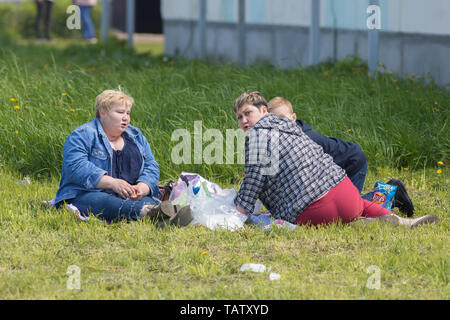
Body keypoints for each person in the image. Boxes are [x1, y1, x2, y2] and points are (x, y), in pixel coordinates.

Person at [232, 91, 437, 228]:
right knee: (359, 206)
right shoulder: (291, 126)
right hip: (346, 191)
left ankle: (357, 223)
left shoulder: (257, 138)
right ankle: (401, 221)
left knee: (335, 218)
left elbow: (252, 185)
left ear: (264, 111)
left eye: (247, 113)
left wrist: (233, 214)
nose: (244, 121)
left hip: (316, 210)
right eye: (239, 117)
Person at [54, 89, 192, 225]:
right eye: (120, 112)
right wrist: (112, 183)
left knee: (145, 201)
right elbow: (76, 167)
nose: (125, 117)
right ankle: (151, 213)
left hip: (129, 197)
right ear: (102, 112)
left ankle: (159, 216)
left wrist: (143, 187)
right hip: (88, 195)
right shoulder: (82, 135)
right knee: (105, 201)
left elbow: (151, 165)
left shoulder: (136, 136)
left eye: (128, 113)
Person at [267, 96, 415, 217]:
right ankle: (389, 192)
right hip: (337, 167)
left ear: (293, 118)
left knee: (352, 210)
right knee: (344, 208)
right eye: (273, 121)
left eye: (282, 118)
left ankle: (391, 194)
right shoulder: (283, 139)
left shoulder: (302, 139)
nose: (278, 124)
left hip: (352, 163)